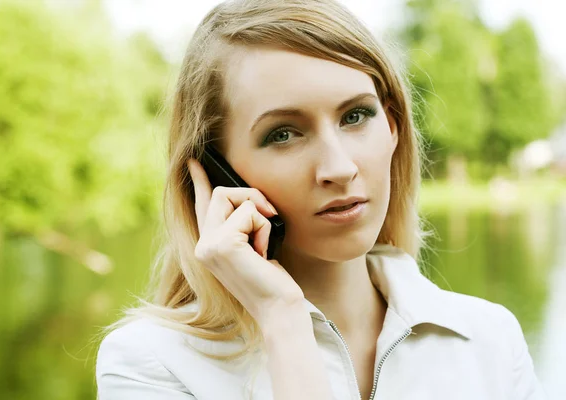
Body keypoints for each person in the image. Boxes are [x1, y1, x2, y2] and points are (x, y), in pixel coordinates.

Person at [94, 0, 546, 399]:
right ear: (213, 173)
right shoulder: (153, 366)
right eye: (284, 134)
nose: (339, 167)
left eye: (355, 116)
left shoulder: (490, 341)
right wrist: (283, 321)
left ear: (392, 127)